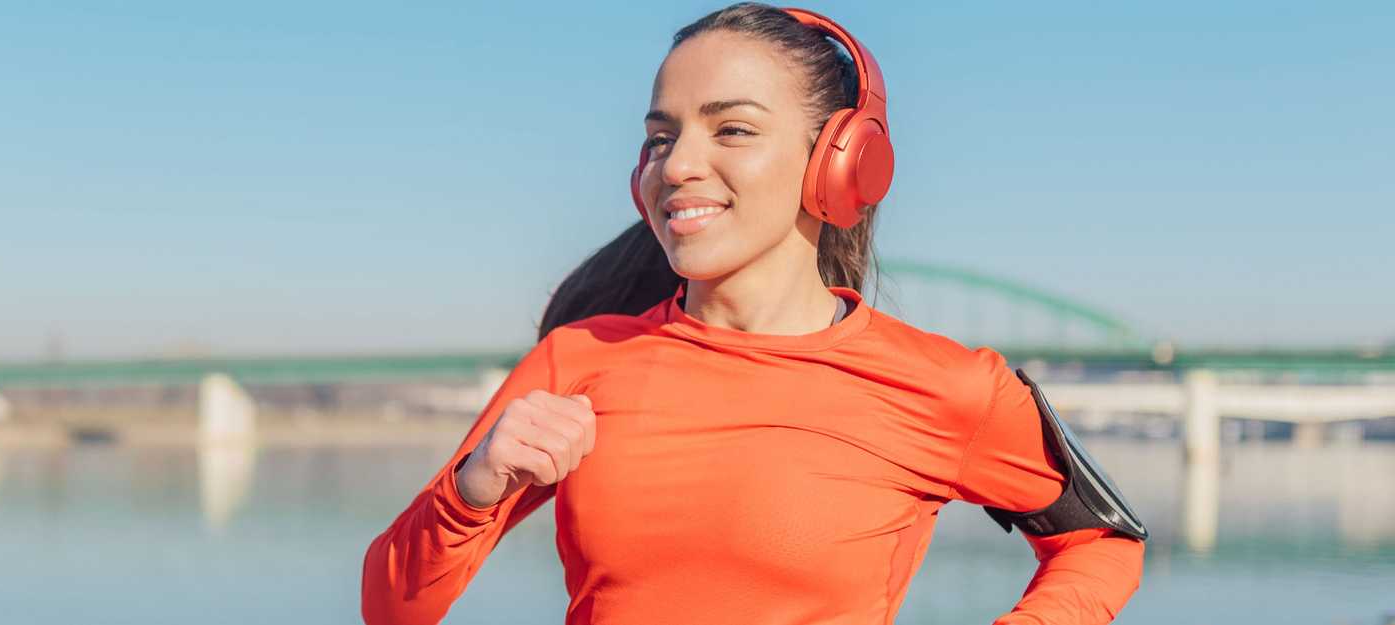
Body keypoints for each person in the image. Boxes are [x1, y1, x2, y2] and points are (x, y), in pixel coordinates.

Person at [359, 4, 1145, 624]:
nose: (679, 166)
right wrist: (474, 484)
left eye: (731, 129)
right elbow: (392, 607)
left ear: (841, 158)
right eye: (659, 138)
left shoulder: (948, 386)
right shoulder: (577, 360)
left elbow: (1103, 541)